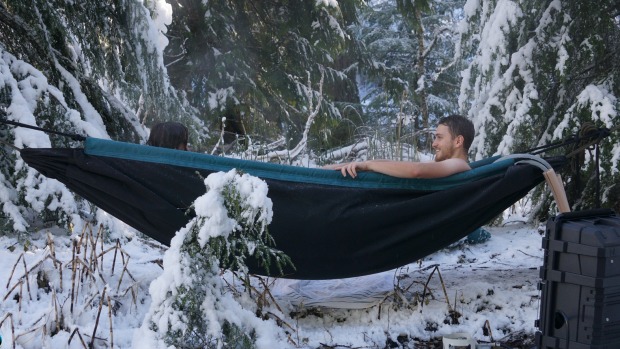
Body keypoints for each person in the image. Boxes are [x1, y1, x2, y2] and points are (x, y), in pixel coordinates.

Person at [323, 114, 475, 179]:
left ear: (458, 141)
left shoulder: (459, 164)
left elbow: (416, 170)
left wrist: (369, 164)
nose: (434, 143)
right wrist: (362, 165)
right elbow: (410, 165)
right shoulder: (450, 166)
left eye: (439, 138)